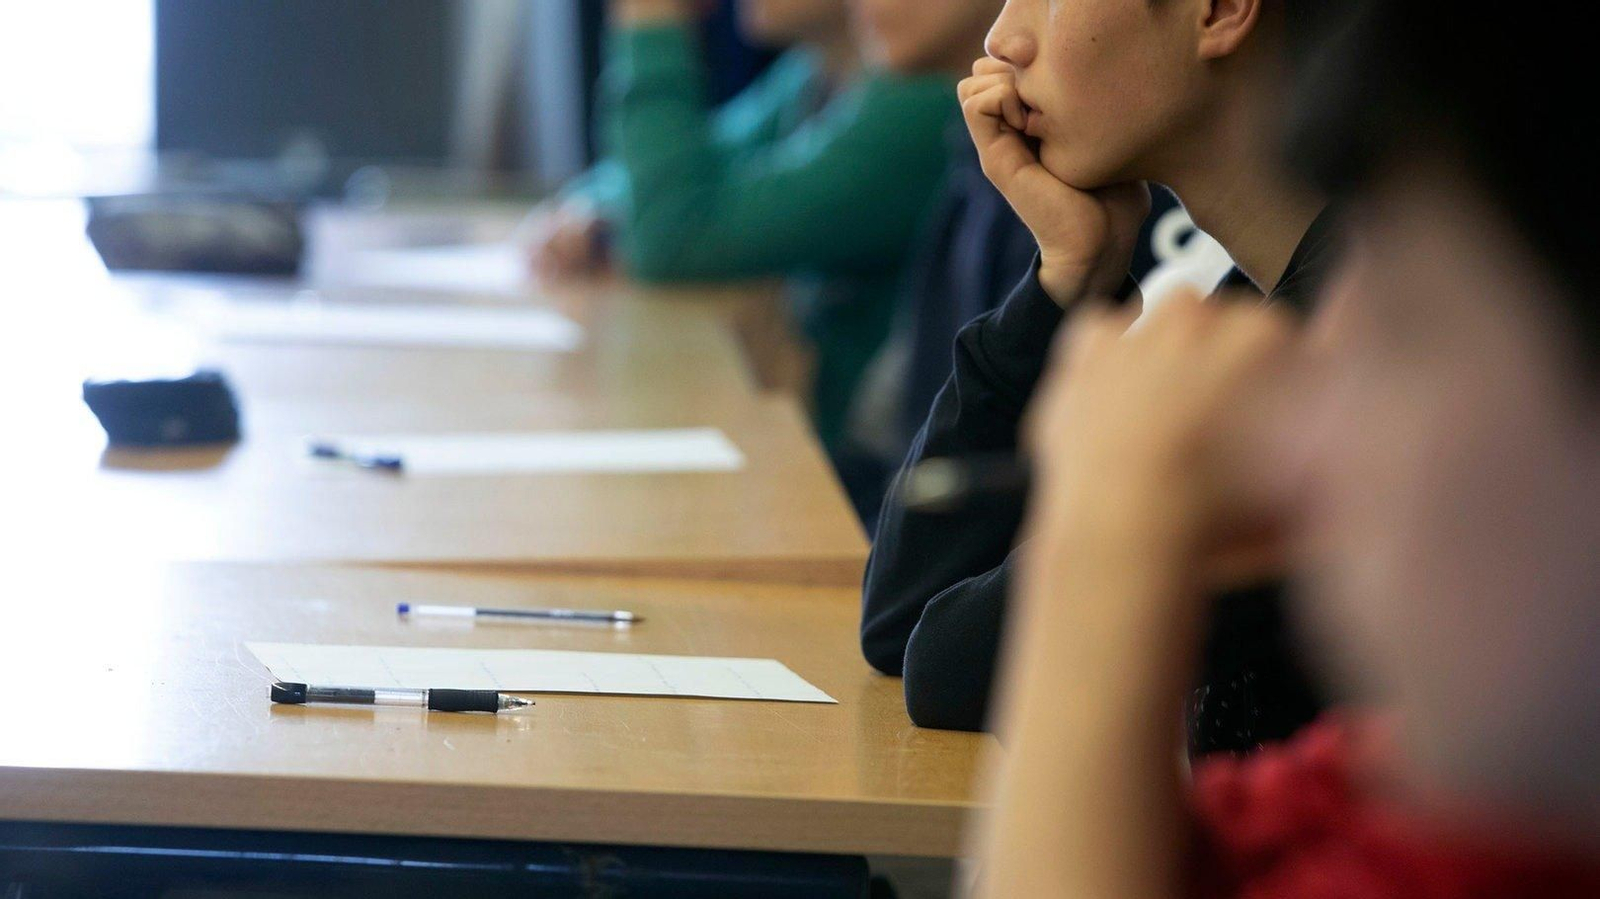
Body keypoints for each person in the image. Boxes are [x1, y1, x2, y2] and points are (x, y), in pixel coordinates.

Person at [974, 2, 1600, 896]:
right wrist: (1060, 283)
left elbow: (934, 653)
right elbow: (910, 625)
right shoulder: (1413, 803)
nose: (1303, 446)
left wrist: (1108, 542)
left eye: (1412, 330)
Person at [861, 0, 1335, 750]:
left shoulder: (1343, 360)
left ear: (1220, 11)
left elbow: (951, 665)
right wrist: (1071, 276)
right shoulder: (1272, 302)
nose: (1002, 38)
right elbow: (902, 623)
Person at [528, 0, 957, 462]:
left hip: (858, 473)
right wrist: (590, 208)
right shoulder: (817, 75)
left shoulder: (930, 108)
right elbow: (657, 182)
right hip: (804, 443)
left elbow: (675, 236)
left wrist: (650, 22)